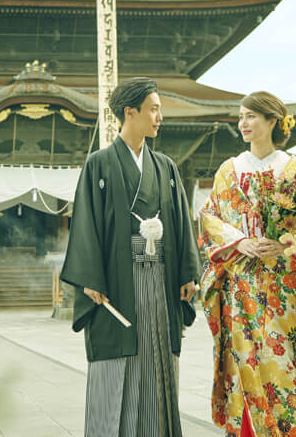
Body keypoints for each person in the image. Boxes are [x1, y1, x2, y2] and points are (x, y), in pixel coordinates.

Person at [61, 76, 202, 437]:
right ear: (130, 112)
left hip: (160, 280)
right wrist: (90, 278)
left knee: (157, 358)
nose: (159, 117)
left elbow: (181, 223)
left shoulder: (166, 168)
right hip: (117, 281)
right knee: (117, 358)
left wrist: (188, 272)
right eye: (154, 109)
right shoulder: (99, 164)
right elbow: (87, 222)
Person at [197, 91, 296, 437]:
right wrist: (242, 241)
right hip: (241, 284)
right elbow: (209, 216)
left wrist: (284, 245)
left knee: (283, 360)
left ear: (273, 121)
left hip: (283, 288)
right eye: (241, 117)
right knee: (243, 358)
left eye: (251, 116)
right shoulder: (230, 169)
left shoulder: (294, 169)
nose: (243, 123)